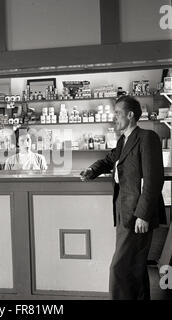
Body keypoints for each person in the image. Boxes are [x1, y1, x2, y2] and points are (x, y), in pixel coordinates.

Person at [80, 95, 166, 300]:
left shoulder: (147, 137)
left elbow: (154, 180)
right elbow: (108, 160)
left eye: (117, 113)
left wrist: (143, 215)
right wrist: (92, 170)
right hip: (123, 211)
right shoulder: (123, 140)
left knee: (119, 268)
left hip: (138, 214)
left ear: (130, 115)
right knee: (134, 268)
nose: (114, 118)